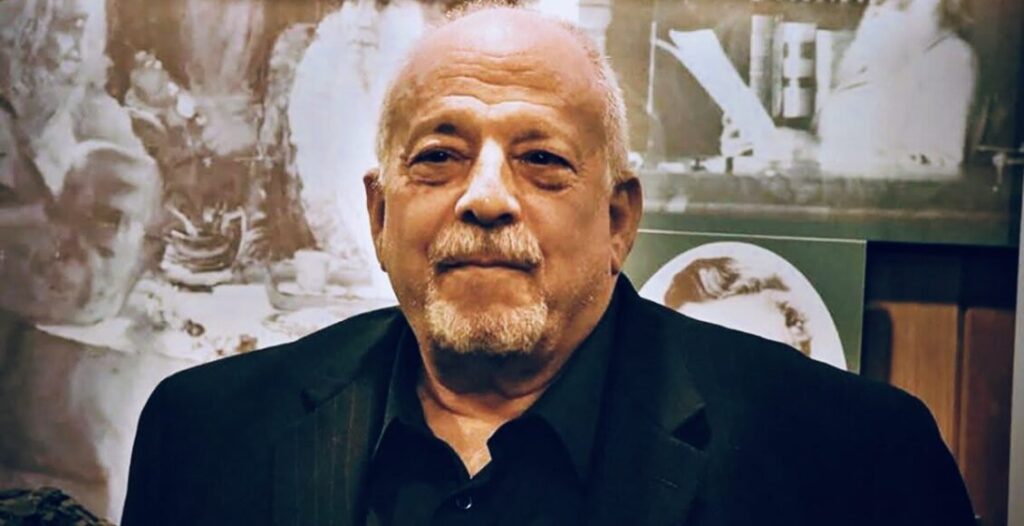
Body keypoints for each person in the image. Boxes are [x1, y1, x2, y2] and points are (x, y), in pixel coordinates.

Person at [122, 5, 975, 525]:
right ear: (380, 217)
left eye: (542, 160)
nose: (486, 197)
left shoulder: (855, 464)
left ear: (617, 219)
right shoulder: (203, 437)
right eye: (439, 157)